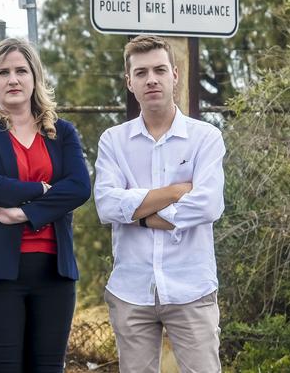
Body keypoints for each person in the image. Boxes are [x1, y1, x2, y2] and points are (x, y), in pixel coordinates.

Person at [0, 38, 91, 373]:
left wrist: (25, 213)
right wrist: (44, 189)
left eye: (21, 71)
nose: (13, 79)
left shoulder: (61, 133)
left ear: (35, 79)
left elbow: (80, 187)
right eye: (4, 72)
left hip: (53, 277)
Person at [94, 35, 225, 373]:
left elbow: (208, 205)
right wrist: (174, 192)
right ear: (129, 82)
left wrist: (136, 214)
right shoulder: (113, 141)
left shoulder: (205, 138)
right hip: (131, 290)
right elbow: (107, 205)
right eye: (141, 73)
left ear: (175, 75)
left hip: (192, 288)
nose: (151, 79)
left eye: (159, 70)